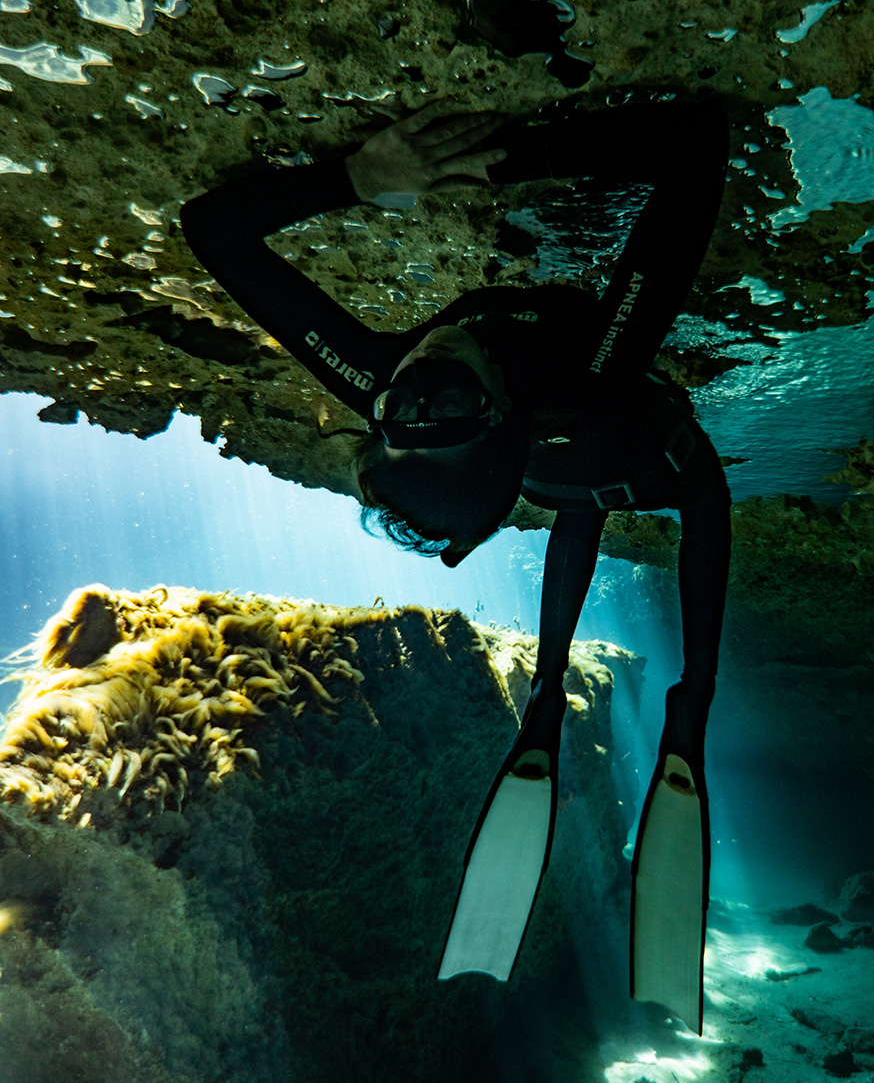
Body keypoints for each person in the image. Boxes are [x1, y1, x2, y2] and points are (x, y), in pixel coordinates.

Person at [180, 93, 730, 1032]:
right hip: (660, 469)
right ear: (492, 418)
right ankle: (687, 707)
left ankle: (549, 691)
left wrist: (357, 178)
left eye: (400, 412)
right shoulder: (594, 364)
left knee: (571, 517)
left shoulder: (386, 385)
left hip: (563, 481)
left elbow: (213, 231)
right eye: (439, 403)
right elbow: (697, 145)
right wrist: (510, 150)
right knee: (646, 512)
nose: (419, 373)